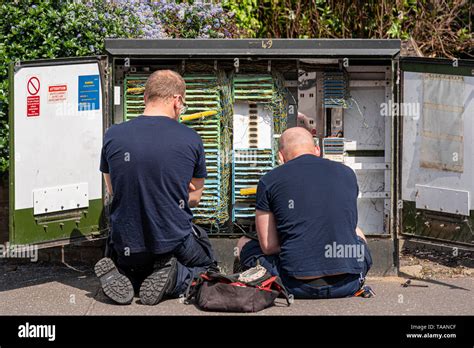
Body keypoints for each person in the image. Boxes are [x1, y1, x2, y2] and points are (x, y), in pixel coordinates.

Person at [95, 70, 217, 305]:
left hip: (126, 244)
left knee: (136, 264)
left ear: (145, 98)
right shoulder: (191, 138)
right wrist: (177, 189)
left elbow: (113, 191)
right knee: (206, 265)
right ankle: (175, 278)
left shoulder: (113, 135)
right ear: (177, 100)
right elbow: (195, 198)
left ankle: (125, 276)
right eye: (184, 103)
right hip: (171, 240)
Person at [236, 127, 372, 299]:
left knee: (243, 243)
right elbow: (346, 226)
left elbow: (269, 246)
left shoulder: (269, 180)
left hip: (294, 286)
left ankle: (261, 282)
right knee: (358, 233)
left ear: (280, 156)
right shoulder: (347, 174)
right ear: (317, 150)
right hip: (347, 284)